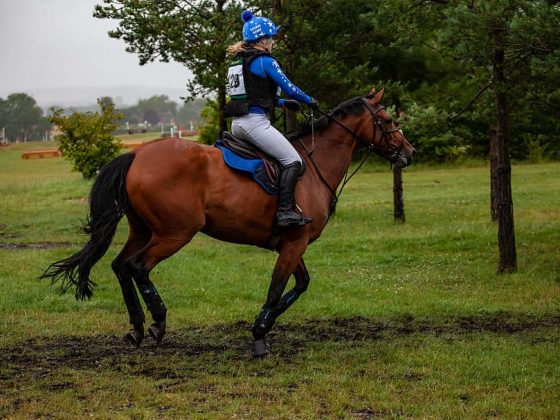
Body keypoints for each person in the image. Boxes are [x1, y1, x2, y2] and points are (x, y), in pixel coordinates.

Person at [225, 10, 318, 227]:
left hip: (238, 124)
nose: (273, 42)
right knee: (293, 160)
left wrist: (284, 104)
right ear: (264, 39)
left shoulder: (239, 62)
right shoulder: (265, 60)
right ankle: (285, 211)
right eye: (272, 38)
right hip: (254, 124)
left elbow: (254, 95)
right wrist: (308, 100)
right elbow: (290, 88)